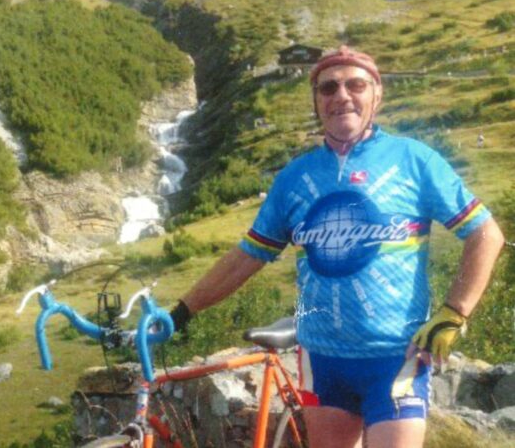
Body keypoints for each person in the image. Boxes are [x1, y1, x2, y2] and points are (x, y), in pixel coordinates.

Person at [169, 46, 505, 448]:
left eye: (356, 85)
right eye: (328, 88)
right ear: (316, 101)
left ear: (377, 94)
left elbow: (486, 234)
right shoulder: (295, 178)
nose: (341, 95)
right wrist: (182, 311)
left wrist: (454, 313)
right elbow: (247, 256)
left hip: (395, 356)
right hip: (323, 360)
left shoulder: (414, 160)